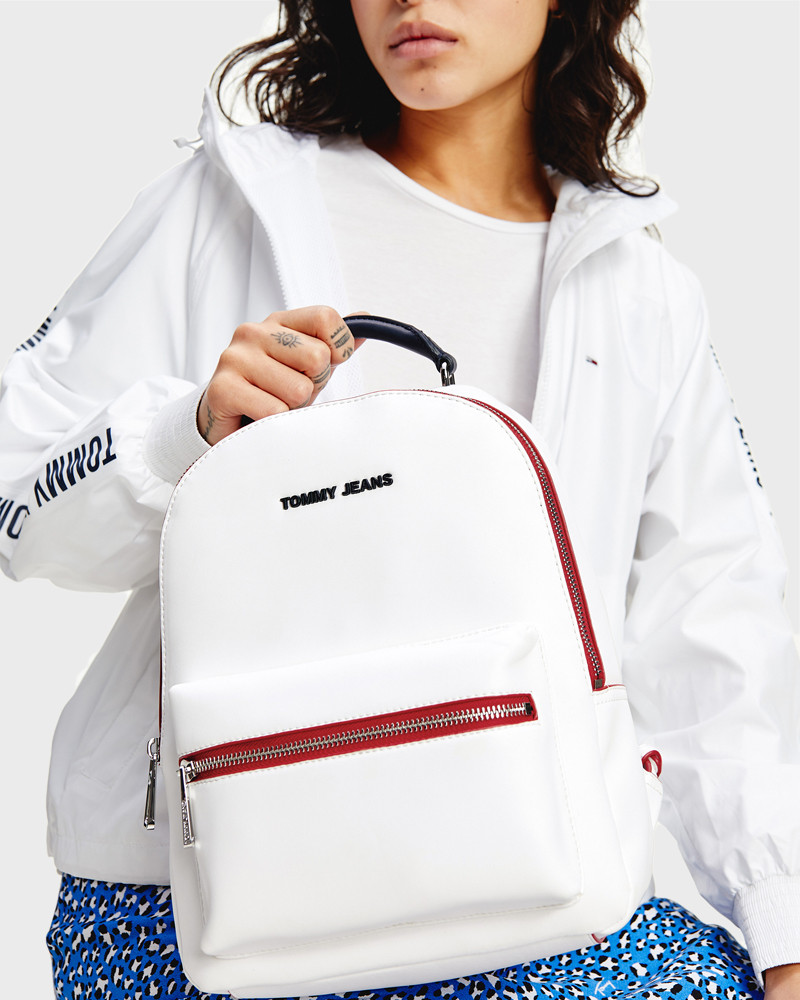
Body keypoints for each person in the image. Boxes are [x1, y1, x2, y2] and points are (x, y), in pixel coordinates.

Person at [1, 1, 798, 997]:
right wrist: (187, 432)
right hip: (194, 895)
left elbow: (711, 632)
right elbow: (17, 505)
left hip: (530, 884)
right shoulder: (228, 199)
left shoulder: (639, 291)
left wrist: (780, 923)